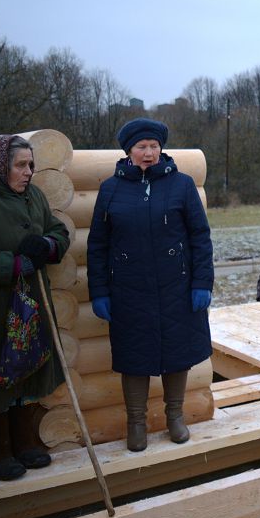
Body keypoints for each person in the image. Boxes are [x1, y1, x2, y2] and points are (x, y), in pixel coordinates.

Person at [87, 118, 214, 452]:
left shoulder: (182, 185)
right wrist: (99, 291)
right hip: (129, 289)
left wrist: (202, 282)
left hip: (177, 285)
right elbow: (98, 245)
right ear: (128, 151)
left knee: (177, 351)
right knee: (134, 356)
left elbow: (200, 237)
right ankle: (137, 424)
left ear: (161, 148)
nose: (149, 153)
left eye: (154, 146)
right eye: (142, 147)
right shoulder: (110, 189)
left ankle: (175, 417)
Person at [0, 135, 70, 481]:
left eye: (31, 164)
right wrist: (14, 264)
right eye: (20, 165)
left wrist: (48, 246)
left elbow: (58, 231)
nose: (29, 172)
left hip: (32, 301)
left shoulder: (34, 197)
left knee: (29, 361)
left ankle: (24, 442)